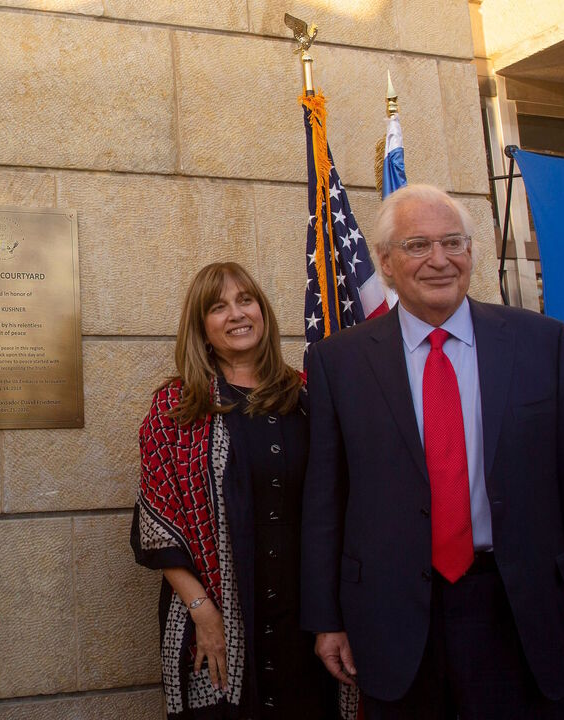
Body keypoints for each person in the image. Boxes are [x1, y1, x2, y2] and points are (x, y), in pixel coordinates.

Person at [300, 184, 564, 718]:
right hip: (391, 616)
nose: (439, 261)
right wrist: (326, 618)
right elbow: (325, 502)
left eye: (453, 243)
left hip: (518, 610)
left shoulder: (544, 344)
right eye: (417, 246)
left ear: (472, 252)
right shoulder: (339, 363)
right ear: (384, 261)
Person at [132, 262, 338, 719]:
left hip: (305, 616)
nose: (236, 314)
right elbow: (157, 528)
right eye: (219, 307)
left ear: (262, 312)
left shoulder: (307, 398)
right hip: (215, 615)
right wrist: (203, 612)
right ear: (202, 329)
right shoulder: (177, 407)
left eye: (245, 300)